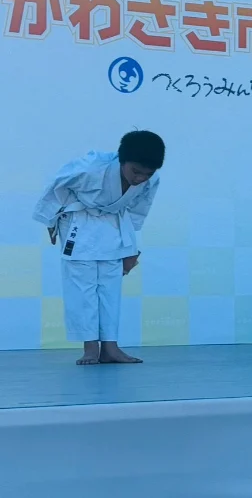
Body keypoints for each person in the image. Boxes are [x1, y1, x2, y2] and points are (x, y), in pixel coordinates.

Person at [32, 131, 165, 365]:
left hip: (114, 224)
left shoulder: (151, 181)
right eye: (136, 171)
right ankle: (90, 348)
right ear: (122, 160)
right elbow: (56, 187)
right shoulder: (91, 167)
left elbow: (137, 212)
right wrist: (51, 222)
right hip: (80, 223)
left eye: (147, 173)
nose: (140, 178)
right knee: (81, 287)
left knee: (110, 287)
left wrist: (130, 248)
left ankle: (110, 347)